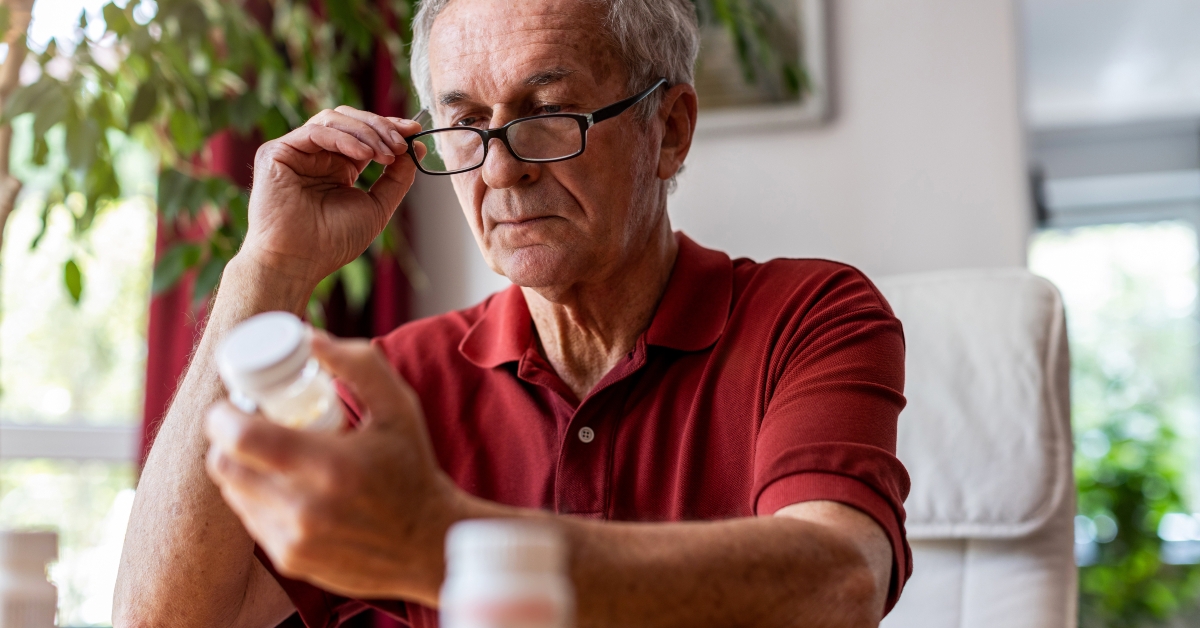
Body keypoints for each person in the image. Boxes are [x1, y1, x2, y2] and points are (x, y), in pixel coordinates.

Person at [113, 0, 911, 626]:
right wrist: (269, 268)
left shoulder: (810, 316)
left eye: (546, 113)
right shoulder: (393, 385)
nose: (500, 169)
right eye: (464, 125)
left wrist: (441, 545)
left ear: (668, 132)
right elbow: (168, 620)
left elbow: (838, 585)